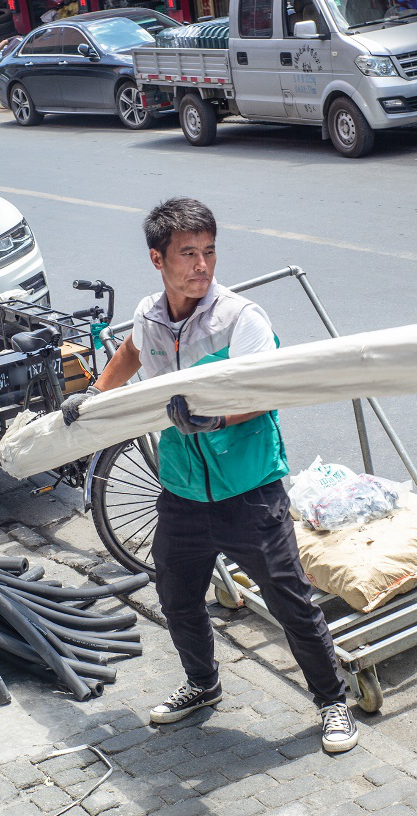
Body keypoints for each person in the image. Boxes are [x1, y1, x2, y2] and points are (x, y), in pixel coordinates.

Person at [61, 198, 360, 754]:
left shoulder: (240, 319)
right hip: (180, 491)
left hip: (248, 491)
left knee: (290, 600)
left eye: (210, 251)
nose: (202, 265)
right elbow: (131, 349)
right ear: (158, 259)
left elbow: (266, 391)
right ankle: (202, 684)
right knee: (176, 594)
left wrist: (216, 417)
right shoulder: (150, 315)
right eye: (188, 254)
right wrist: (97, 394)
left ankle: (332, 702)